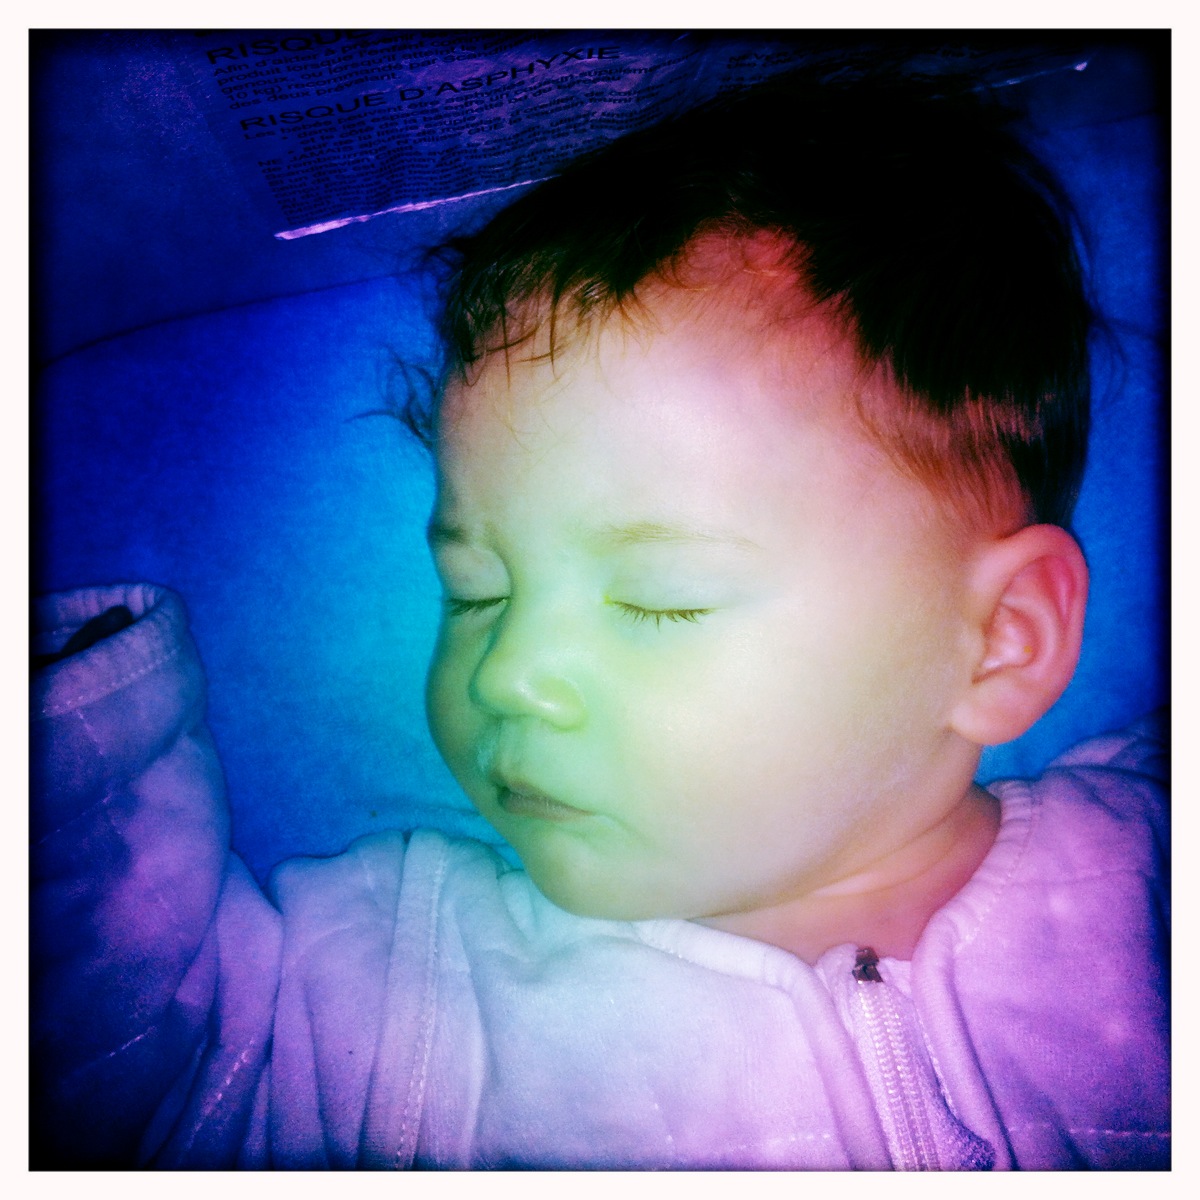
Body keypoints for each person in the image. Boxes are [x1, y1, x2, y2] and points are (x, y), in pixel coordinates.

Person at [30, 72, 1168, 1170]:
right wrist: (74, 753)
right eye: (476, 592)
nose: (505, 672)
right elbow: (129, 1088)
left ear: (999, 639)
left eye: (656, 596)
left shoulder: (1148, 888)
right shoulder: (389, 976)